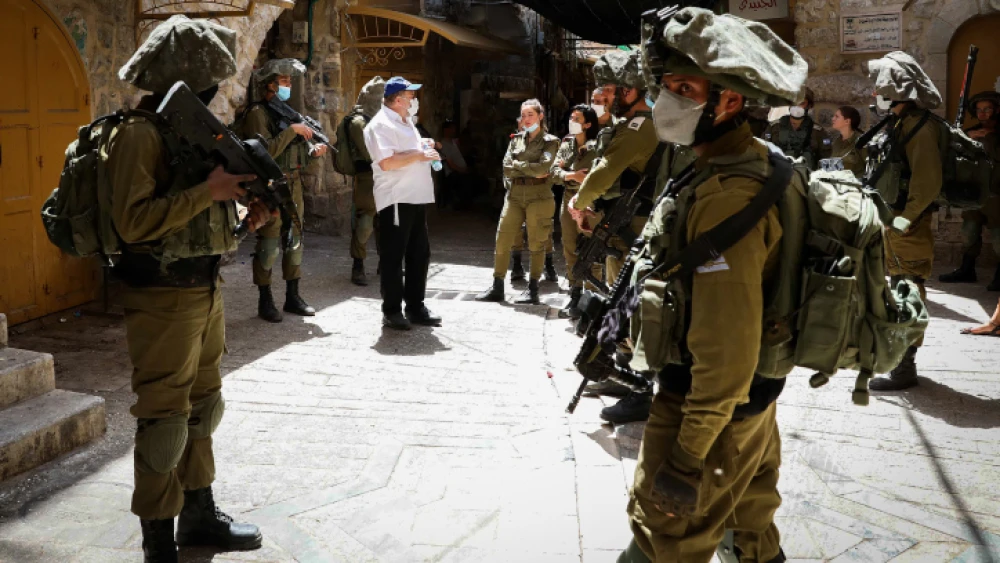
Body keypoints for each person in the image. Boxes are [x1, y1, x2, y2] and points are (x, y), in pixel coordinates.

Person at [614, 8, 809, 562]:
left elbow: (726, 350)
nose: (665, 101)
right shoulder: (753, 162)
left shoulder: (728, 192)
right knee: (748, 531)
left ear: (728, 101)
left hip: (709, 412)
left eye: (683, 88)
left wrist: (685, 456)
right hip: (747, 407)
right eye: (666, 87)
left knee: (665, 542)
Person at [111, 15, 269, 562]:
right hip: (160, 296)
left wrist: (245, 222)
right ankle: (158, 538)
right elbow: (134, 224)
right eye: (210, 78)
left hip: (202, 288)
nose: (215, 89)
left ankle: (198, 514)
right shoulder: (138, 133)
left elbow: (197, 227)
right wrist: (209, 190)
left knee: (205, 405)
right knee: (164, 416)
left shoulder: (188, 132)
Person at [566, 49, 660, 424]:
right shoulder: (630, 125)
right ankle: (623, 372)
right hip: (623, 224)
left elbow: (607, 170)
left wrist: (579, 201)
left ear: (631, 91)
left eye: (609, 89)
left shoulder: (642, 127)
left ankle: (642, 390)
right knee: (616, 299)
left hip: (635, 226)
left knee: (632, 305)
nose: (602, 97)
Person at [864, 51, 944, 392]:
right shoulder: (901, 123)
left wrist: (904, 220)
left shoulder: (920, 128)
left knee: (906, 290)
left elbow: (927, 182)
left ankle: (904, 367)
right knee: (896, 289)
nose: (874, 93)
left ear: (896, 90)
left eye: (880, 86)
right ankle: (898, 359)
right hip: (894, 222)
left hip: (906, 226)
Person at [241, 58, 327, 322]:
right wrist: (292, 131)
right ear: (269, 85)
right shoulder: (258, 114)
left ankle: (293, 296)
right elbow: (263, 153)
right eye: (284, 81)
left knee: (295, 240)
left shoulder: (286, 113)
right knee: (269, 243)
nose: (289, 85)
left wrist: (312, 151)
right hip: (270, 186)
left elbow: (295, 150)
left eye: (290, 81)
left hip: (293, 183)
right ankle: (265, 299)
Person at [362, 76, 442, 330]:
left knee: (420, 255)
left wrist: (423, 145)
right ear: (398, 100)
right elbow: (387, 161)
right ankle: (392, 310)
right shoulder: (381, 125)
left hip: (415, 198)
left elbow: (406, 150)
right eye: (411, 97)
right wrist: (419, 153)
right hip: (396, 199)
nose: (414, 101)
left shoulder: (405, 121)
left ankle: (416, 307)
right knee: (393, 256)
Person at [475, 99, 560, 304]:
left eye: (530, 114)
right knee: (503, 238)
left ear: (540, 116)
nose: (526, 119)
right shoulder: (516, 140)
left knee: (536, 242)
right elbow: (506, 168)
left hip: (538, 195)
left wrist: (519, 166)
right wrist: (528, 167)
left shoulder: (550, 141)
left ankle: (533, 288)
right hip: (514, 194)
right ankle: (497, 286)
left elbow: (543, 169)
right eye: (523, 115)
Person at [938, 91, 1000, 289]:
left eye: (987, 109)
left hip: (997, 194)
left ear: (996, 110)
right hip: (974, 192)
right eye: (980, 110)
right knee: (969, 232)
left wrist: (991, 138)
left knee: (999, 237)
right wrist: (967, 138)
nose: (983, 114)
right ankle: (967, 268)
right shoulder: (970, 131)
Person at [551, 105, 601, 318]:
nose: (572, 121)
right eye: (571, 117)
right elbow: (554, 172)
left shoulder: (599, 146)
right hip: (568, 199)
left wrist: (567, 172)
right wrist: (572, 176)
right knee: (569, 247)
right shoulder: (567, 144)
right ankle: (574, 293)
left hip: (591, 202)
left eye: (577, 118)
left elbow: (600, 173)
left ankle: (592, 297)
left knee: (592, 249)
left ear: (588, 124)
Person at [348, 77, 386, 286]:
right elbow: (370, 153)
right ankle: (358, 265)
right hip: (368, 177)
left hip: (385, 176)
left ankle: (385, 262)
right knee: (366, 222)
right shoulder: (359, 122)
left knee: (385, 221)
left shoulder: (379, 121)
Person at [765, 86, 822, 168]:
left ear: (809, 106)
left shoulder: (817, 131)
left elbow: (825, 158)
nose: (797, 106)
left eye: (802, 103)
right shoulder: (774, 127)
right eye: (794, 102)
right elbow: (763, 152)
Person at [438, 120, 471, 208]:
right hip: (453, 173)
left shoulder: (453, 142)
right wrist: (462, 171)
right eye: (451, 129)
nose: (454, 131)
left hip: (461, 170)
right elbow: (450, 164)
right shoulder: (443, 144)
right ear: (446, 130)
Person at [827, 105, 865, 178]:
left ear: (847, 121)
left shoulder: (862, 142)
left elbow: (870, 170)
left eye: (837, 116)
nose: (833, 119)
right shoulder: (836, 142)